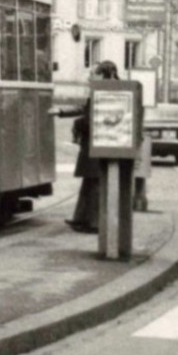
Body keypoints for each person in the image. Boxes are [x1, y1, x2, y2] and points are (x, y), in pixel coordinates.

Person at [62, 60, 120, 232]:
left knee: (94, 184)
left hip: (99, 144)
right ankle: (81, 218)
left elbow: (94, 119)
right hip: (94, 144)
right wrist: (62, 112)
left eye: (94, 73)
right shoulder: (102, 90)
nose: (90, 76)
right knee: (89, 182)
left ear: (104, 74)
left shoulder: (107, 92)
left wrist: (79, 124)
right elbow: (86, 110)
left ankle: (93, 222)